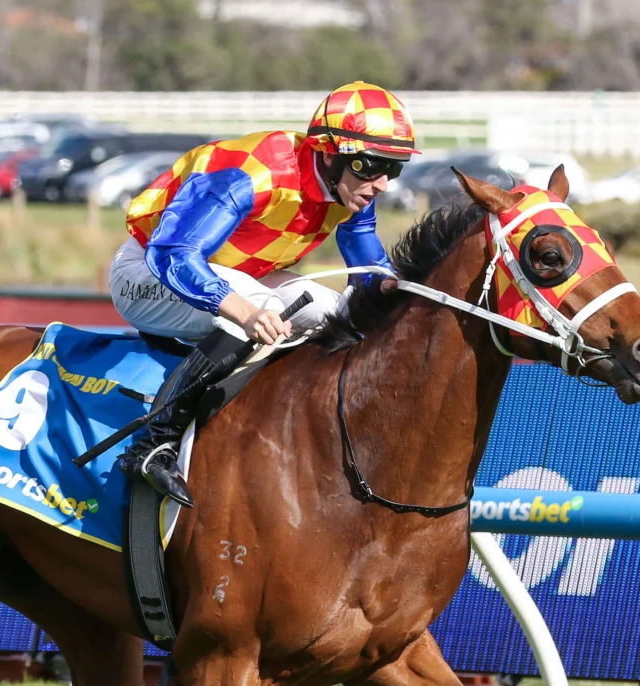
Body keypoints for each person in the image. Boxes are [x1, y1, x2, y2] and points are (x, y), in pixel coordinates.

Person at [111, 81, 416, 508]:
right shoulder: (255, 174)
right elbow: (173, 254)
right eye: (372, 165)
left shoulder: (350, 187)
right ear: (330, 154)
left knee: (333, 311)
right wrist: (244, 312)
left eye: (393, 169)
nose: (382, 184)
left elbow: (370, 275)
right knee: (264, 308)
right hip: (147, 271)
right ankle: (153, 444)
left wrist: (399, 293)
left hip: (235, 275)